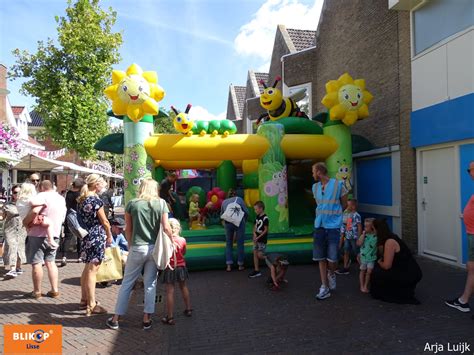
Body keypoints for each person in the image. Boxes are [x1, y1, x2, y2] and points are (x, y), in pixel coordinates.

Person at [107, 178, 173, 330]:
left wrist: (130, 246)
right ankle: (146, 319)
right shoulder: (161, 203)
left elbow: (128, 229)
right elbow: (166, 227)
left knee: (127, 283)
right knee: (150, 283)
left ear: (142, 188)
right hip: (155, 248)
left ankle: (116, 318)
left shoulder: (132, 204)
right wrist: (172, 243)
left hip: (137, 247)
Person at [23, 180, 66, 299]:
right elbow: (63, 216)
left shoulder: (40, 196)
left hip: (37, 234)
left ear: (41, 187)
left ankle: (37, 291)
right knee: (51, 262)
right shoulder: (61, 198)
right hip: (54, 232)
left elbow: (35, 211)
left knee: (36, 263)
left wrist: (26, 222)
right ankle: (54, 290)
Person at [312, 162, 348, 300]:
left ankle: (331, 273)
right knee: (320, 257)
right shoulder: (315, 187)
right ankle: (324, 287)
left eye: (313, 171)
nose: (313, 174)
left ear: (319, 172)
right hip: (319, 225)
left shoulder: (338, 185)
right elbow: (319, 206)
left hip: (333, 226)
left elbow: (344, 203)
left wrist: (336, 216)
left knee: (333, 258)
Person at [77, 174, 112, 315]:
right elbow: (104, 222)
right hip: (97, 235)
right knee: (93, 271)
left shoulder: (82, 199)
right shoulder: (96, 201)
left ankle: (84, 299)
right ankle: (91, 304)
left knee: (87, 268)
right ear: (96, 185)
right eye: (102, 184)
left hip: (86, 235)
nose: (103, 187)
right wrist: (109, 235)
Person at [370, 219, 422, 304]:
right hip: (404, 268)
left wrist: (379, 262)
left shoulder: (390, 242)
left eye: (373, 229)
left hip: (409, 272)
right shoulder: (390, 237)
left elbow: (387, 265)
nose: (373, 232)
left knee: (377, 272)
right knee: (378, 269)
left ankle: (389, 293)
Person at [445, 160, 474, 316]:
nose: (468, 173)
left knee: (472, 269)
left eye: (469, 170)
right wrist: (467, 216)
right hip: (471, 234)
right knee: (471, 268)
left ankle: (463, 301)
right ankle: (463, 301)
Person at [160, 218, 192, 325]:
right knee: (183, 287)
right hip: (181, 267)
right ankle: (188, 309)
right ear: (178, 228)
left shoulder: (165, 241)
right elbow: (184, 252)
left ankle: (170, 316)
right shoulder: (182, 240)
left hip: (170, 268)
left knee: (170, 292)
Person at [16, 182, 58, 249]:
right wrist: (43, 203)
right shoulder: (29, 199)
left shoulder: (19, 201)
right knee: (49, 224)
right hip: (34, 219)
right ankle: (51, 240)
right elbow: (33, 204)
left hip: (25, 220)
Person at [2, 185, 27, 279]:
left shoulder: (25, 205)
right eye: (15, 192)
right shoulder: (7, 205)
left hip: (22, 229)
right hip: (10, 230)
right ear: (12, 193)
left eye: (19, 192)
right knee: (11, 246)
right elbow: (2, 217)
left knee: (20, 247)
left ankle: (18, 267)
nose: (17, 194)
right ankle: (12, 269)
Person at [221, 188, 249, 272]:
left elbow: (222, 214)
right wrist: (244, 220)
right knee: (240, 243)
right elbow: (246, 211)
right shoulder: (239, 199)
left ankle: (228, 265)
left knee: (229, 243)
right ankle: (240, 265)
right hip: (239, 222)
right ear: (235, 194)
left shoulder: (224, 202)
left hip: (228, 223)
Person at [61, 178, 85, 266]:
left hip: (69, 215)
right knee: (80, 236)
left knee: (67, 237)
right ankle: (79, 256)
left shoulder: (68, 194)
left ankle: (64, 256)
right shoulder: (80, 195)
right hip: (78, 216)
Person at [336, 199, 362, 275]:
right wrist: (343, 235)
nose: (347, 207)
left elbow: (359, 226)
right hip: (348, 237)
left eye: (349, 205)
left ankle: (363, 267)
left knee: (357, 252)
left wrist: (359, 238)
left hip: (354, 237)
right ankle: (345, 268)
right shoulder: (348, 214)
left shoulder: (356, 215)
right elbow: (345, 225)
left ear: (353, 206)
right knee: (346, 251)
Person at [248, 201, 269, 278]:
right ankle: (257, 270)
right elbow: (255, 226)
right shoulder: (257, 217)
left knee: (260, 255)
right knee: (255, 253)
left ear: (261, 208)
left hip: (261, 240)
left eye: (256, 209)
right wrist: (254, 234)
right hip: (256, 239)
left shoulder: (265, 218)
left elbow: (266, 230)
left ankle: (271, 260)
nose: (255, 211)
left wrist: (258, 237)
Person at [357, 218, 377, 293]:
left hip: (371, 258)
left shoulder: (375, 235)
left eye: (366, 227)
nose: (364, 228)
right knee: (362, 271)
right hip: (364, 257)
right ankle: (362, 286)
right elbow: (359, 244)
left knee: (369, 271)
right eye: (364, 226)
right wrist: (363, 234)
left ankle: (365, 285)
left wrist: (374, 228)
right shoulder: (364, 235)